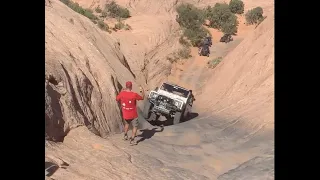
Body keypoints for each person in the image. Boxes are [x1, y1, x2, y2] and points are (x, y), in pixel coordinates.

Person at [116, 81, 145, 145]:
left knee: (127, 124)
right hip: (133, 114)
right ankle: (132, 140)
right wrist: (142, 90)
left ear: (126, 87)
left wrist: (121, 92)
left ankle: (125, 136)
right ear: (131, 87)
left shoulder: (122, 94)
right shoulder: (134, 94)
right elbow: (142, 97)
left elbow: (117, 99)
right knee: (135, 126)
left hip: (125, 114)